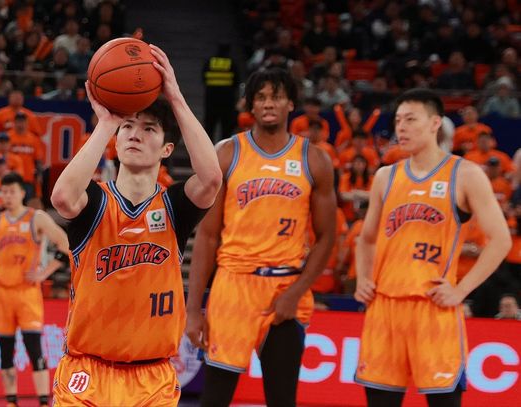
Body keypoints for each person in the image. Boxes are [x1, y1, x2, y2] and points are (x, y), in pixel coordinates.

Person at [49, 44, 221, 406]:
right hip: (87, 372)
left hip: (151, 378)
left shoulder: (173, 207)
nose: (134, 134)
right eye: (127, 126)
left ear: (167, 149)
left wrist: (175, 96)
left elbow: (211, 179)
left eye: (148, 128)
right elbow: (61, 197)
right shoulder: (95, 202)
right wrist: (106, 124)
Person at [187, 67, 336, 407]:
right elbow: (207, 237)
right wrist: (193, 309)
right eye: (261, 97)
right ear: (251, 105)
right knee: (215, 398)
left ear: (291, 104)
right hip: (233, 285)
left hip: (284, 286)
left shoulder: (314, 159)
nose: (269, 103)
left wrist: (296, 292)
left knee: (282, 398)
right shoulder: (227, 153)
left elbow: (327, 237)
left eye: (277, 97)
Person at [354, 89, 512, 406]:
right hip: (385, 308)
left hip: (433, 307)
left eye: (411, 119)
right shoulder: (386, 176)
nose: (401, 127)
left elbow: (501, 240)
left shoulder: (465, 174)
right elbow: (366, 238)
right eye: (398, 120)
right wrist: (363, 278)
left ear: (435, 123)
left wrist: (460, 290)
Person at [0, 173, 68, 407]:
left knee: (34, 349)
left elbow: (65, 244)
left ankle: (44, 401)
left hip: (27, 293)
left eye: (12, 191)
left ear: (22, 193)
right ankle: (11, 401)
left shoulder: (37, 218)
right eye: (4, 192)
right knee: (5, 351)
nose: (7, 196)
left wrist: (44, 273)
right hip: (1, 293)